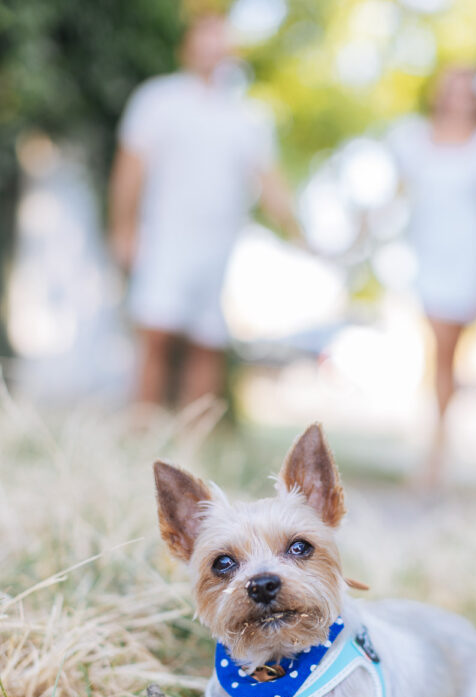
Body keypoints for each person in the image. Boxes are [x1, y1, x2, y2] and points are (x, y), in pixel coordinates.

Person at [109, 10, 299, 409]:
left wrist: (299, 233)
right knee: (156, 333)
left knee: (207, 342)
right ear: (188, 45)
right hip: (165, 237)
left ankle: (195, 445)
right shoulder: (157, 99)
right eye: (205, 37)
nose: (213, 46)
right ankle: (142, 428)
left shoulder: (249, 116)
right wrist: (123, 228)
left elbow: (270, 183)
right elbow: (129, 171)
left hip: (218, 247)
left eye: (220, 38)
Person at [388, 66, 476, 483]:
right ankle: (435, 444)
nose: (461, 99)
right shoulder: (413, 139)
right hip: (427, 258)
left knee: (446, 351)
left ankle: (436, 450)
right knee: (438, 350)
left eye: (469, 92)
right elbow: (397, 193)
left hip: (467, 262)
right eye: (455, 90)